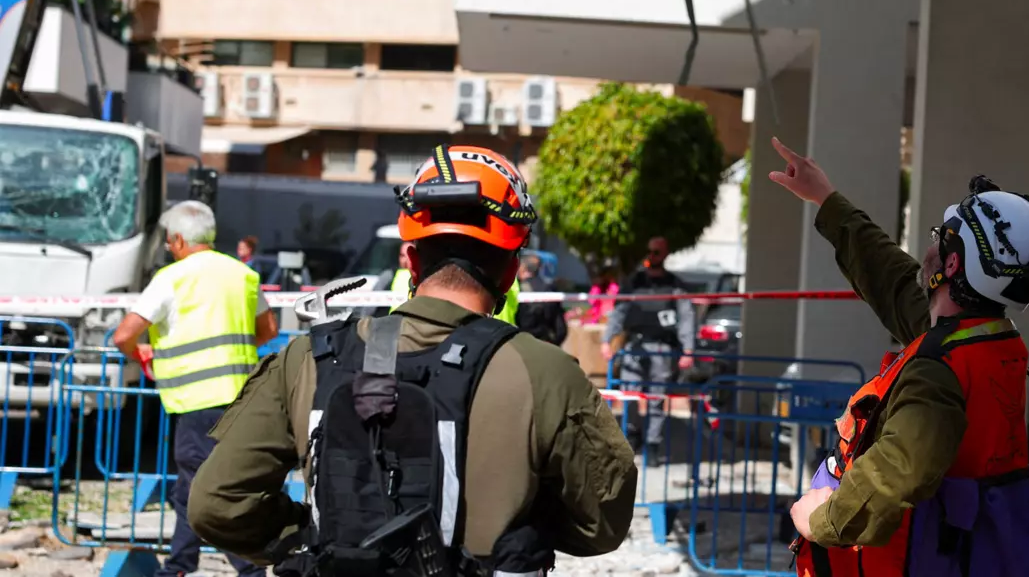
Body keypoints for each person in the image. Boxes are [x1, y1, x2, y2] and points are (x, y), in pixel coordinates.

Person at [186, 144, 638, 576]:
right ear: (511, 268)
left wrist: (318, 541)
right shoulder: (545, 373)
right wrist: (518, 521)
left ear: (413, 261)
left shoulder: (308, 357)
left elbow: (217, 503)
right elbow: (602, 523)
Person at [767, 138, 1029, 577]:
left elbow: (896, 473)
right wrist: (826, 199)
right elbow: (894, 280)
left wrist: (817, 518)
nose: (931, 246)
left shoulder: (940, 367)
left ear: (955, 265)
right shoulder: (984, 338)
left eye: (941, 239)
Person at [110, 201, 278, 577]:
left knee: (202, 493)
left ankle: (243, 569)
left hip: (197, 402)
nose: (170, 248)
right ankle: (181, 566)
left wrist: (142, 355)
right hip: (240, 400)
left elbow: (123, 334)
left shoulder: (172, 278)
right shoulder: (242, 274)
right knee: (196, 491)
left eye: (170, 242)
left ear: (180, 239)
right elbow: (268, 330)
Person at [601, 236, 696, 461]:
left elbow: (686, 316)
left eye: (657, 252)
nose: (652, 256)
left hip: (662, 348)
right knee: (630, 393)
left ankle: (653, 444)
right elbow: (619, 312)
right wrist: (607, 340)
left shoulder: (674, 284)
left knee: (656, 397)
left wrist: (688, 350)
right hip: (635, 346)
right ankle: (631, 436)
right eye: (650, 251)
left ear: (665, 254)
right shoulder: (634, 282)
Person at [515, 254, 568, 346]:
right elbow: (561, 329)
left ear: (522, 268)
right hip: (545, 344)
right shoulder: (550, 290)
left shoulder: (516, 289)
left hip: (520, 345)